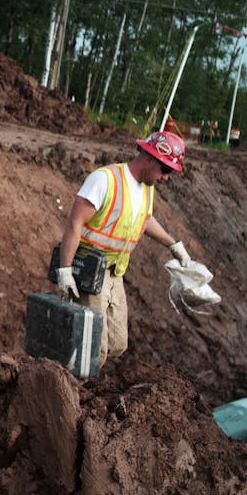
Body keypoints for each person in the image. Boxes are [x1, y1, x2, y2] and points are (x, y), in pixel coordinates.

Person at [54, 130, 197, 363]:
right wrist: (65, 270)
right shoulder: (105, 180)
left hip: (115, 273)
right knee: (92, 350)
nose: (167, 177)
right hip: (89, 271)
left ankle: (77, 373)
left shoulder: (146, 188)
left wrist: (173, 244)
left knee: (118, 344)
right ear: (150, 159)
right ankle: (71, 388)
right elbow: (75, 222)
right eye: (166, 170)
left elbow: (144, 218)